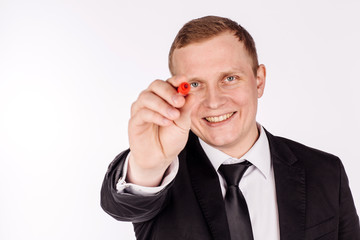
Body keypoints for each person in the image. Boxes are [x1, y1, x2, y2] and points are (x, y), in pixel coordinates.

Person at [101, 16, 360, 240]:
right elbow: (124, 207)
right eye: (195, 85)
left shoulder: (326, 173)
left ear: (259, 81)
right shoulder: (163, 177)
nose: (214, 102)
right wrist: (147, 167)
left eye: (230, 78)